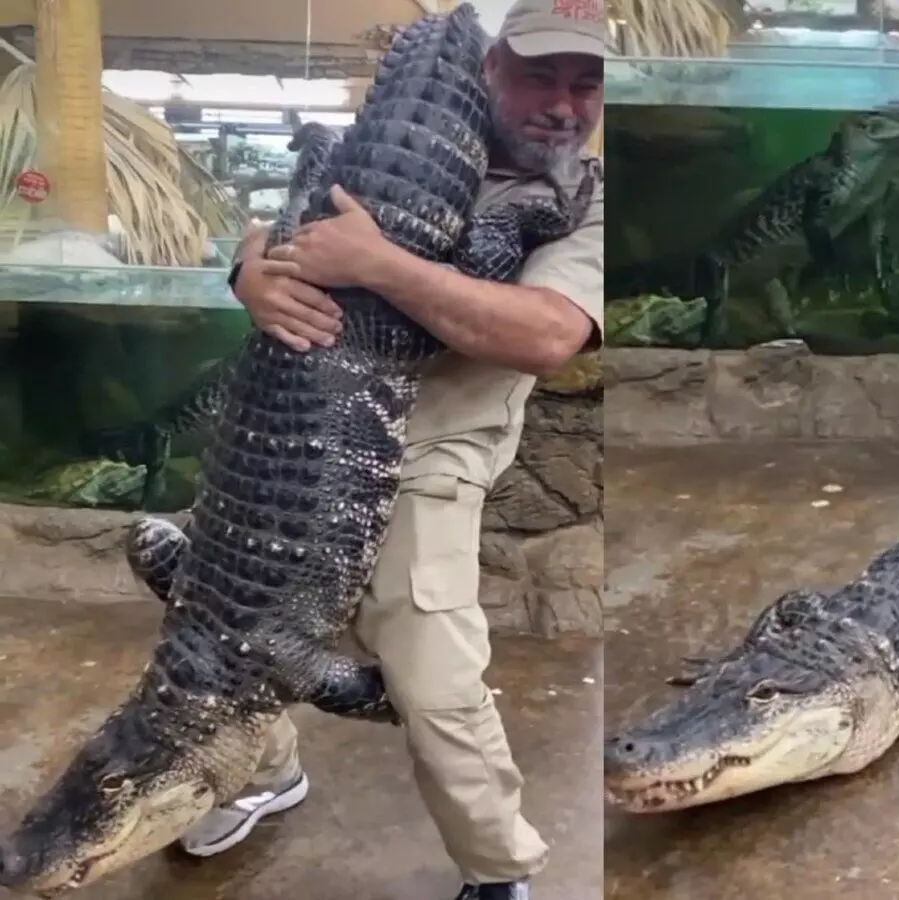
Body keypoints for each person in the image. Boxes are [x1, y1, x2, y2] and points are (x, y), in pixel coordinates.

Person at [192, 2, 607, 898]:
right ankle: (259, 768)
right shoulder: (389, 134)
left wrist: (378, 263)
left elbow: (545, 334)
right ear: (493, 67)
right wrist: (251, 271)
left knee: (431, 675)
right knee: (219, 617)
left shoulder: (593, 197)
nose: (563, 104)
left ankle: (499, 871)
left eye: (587, 83)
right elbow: (281, 222)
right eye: (541, 75)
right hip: (295, 415)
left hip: (429, 447)